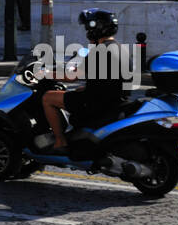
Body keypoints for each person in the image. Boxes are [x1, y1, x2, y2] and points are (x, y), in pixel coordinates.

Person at [40, 9, 126, 154]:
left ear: (96, 29)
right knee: (76, 91)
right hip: (112, 100)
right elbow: (109, 80)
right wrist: (87, 88)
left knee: (48, 97)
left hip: (95, 103)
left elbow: (71, 76)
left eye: (88, 28)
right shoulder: (120, 48)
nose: (87, 32)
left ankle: (60, 141)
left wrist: (45, 73)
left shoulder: (100, 50)